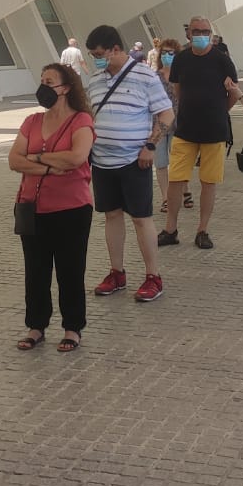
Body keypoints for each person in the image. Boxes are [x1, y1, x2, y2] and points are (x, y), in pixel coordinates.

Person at [84, 25, 174, 305]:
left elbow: (166, 114)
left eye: (100, 54)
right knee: (111, 216)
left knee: (140, 218)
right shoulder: (95, 80)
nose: (97, 59)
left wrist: (150, 145)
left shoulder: (144, 76)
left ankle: (153, 276)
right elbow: (88, 113)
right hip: (102, 161)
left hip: (134, 161)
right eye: (92, 55)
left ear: (115, 49)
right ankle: (117, 272)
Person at [8, 63, 96, 346]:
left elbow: (76, 158)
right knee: (35, 271)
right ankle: (36, 326)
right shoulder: (32, 121)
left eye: (50, 82)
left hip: (71, 209)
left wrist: (34, 158)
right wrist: (47, 165)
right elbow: (14, 160)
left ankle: (72, 328)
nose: (43, 87)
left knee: (70, 270)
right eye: (41, 80)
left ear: (66, 88)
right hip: (31, 206)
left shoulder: (81, 120)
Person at [159, 16, 242, 250]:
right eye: (196, 31)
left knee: (209, 182)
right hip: (185, 130)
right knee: (176, 180)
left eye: (205, 31)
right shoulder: (182, 59)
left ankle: (203, 230)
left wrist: (219, 111)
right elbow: (178, 91)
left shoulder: (222, 61)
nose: (201, 34)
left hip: (214, 132)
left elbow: (234, 92)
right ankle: (170, 228)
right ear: (188, 33)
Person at [151, 38, 185, 211]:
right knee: (161, 162)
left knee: (178, 161)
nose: (167, 56)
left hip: (179, 124)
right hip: (159, 125)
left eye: (171, 53)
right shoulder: (154, 77)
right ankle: (166, 197)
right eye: (164, 53)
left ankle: (183, 191)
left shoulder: (182, 75)